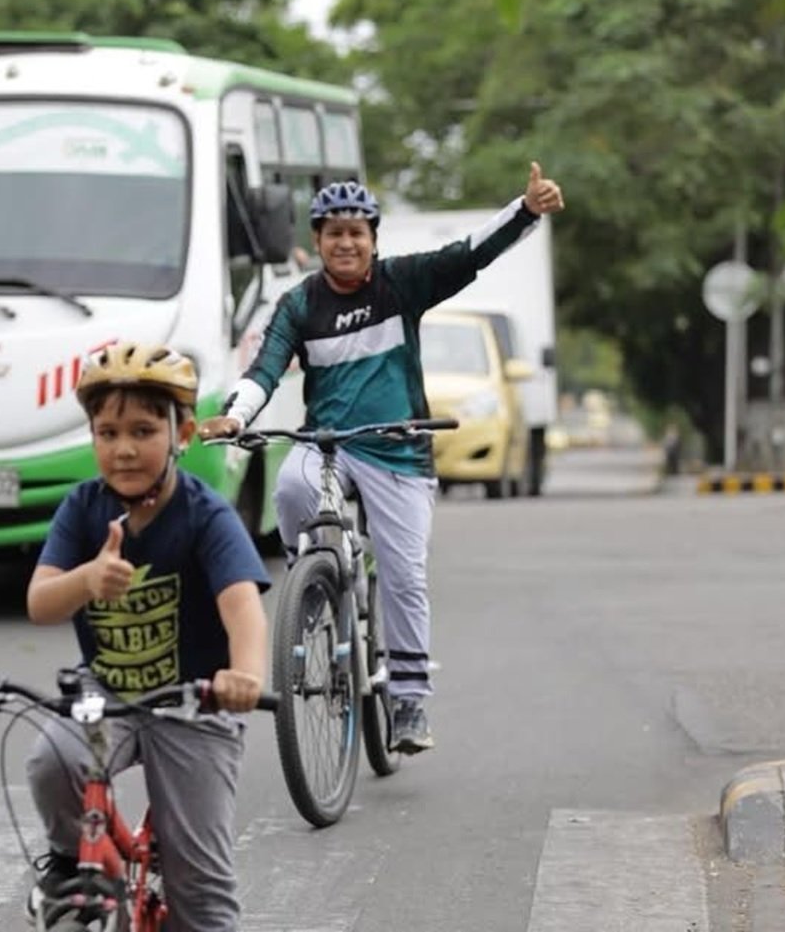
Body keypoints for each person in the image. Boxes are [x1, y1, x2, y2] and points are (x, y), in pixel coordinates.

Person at [199, 164, 565, 754]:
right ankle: (314, 581)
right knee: (289, 487)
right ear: (316, 242)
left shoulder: (402, 284)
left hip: (397, 451)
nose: (346, 242)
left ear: (373, 239)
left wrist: (524, 209)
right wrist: (236, 416)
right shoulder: (298, 304)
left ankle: (409, 701)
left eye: (357, 232)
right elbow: (264, 369)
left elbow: (469, 253)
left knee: (403, 574)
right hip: (327, 446)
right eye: (333, 233)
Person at [24, 342, 271, 932]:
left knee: (201, 896)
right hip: (110, 694)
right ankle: (65, 861)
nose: (124, 448)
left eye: (142, 430)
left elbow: (243, 610)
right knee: (51, 760)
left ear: (181, 432)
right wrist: (88, 578)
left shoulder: (205, 515)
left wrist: (245, 679)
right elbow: (39, 601)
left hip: (195, 704)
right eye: (107, 433)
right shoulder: (83, 510)